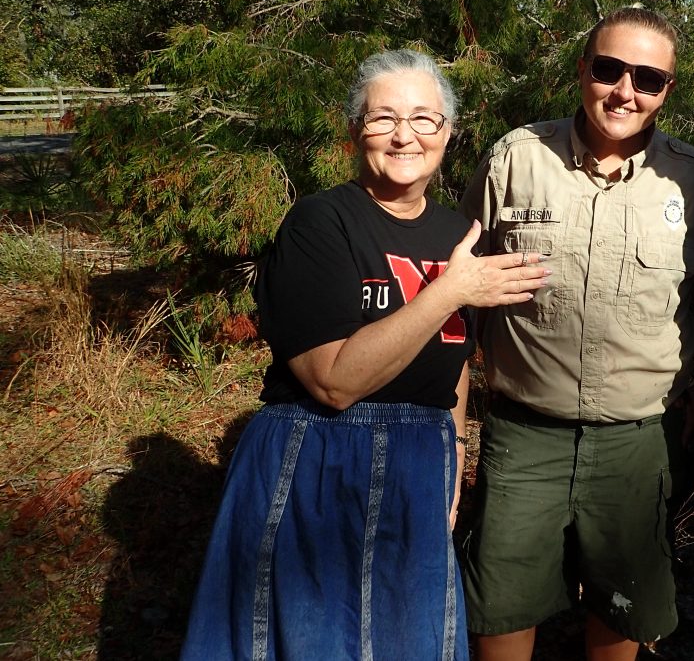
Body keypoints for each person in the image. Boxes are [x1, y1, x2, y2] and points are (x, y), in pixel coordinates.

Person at [180, 49, 550, 660]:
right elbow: (334, 381)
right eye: (383, 119)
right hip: (318, 461)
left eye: (425, 119)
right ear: (356, 131)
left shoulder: (455, 233)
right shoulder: (319, 225)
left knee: (412, 641)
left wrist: (453, 458)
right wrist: (451, 290)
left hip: (418, 465)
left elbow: (452, 364)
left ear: (447, 133)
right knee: (313, 641)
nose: (405, 135)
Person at [460, 7, 694, 661]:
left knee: (623, 612)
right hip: (523, 434)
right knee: (499, 608)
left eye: (648, 78)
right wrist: (456, 425)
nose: (625, 91)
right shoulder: (515, 160)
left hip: (638, 444)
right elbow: (460, 294)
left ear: (668, 90)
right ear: (582, 69)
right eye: (609, 69)